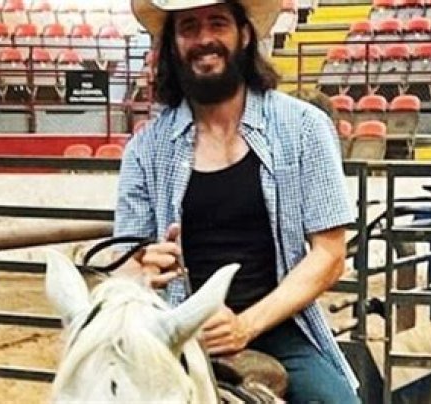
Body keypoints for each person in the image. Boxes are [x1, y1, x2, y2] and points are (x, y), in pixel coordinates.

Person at [114, 0, 360, 402]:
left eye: (218, 23)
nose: (204, 39)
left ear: (244, 34)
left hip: (277, 325)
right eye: (188, 27)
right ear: (173, 44)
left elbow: (330, 255)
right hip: (171, 329)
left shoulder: (303, 128)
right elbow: (126, 263)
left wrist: (244, 326)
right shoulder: (145, 149)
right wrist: (142, 270)